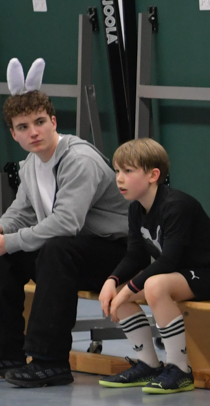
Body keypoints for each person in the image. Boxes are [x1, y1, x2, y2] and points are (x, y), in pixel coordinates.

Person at [0, 58, 128, 388]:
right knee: (7, 257)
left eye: (40, 122)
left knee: (56, 249)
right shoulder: (30, 165)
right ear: (13, 134)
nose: (34, 132)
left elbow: (67, 223)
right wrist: (1, 233)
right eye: (23, 127)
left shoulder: (78, 159)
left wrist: (9, 241)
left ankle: (50, 361)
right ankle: (7, 354)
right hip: (71, 253)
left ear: (53, 121)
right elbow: (21, 214)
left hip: (118, 255)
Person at [94, 139, 210, 395]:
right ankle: (148, 365)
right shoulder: (136, 209)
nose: (119, 179)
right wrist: (111, 280)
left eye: (128, 171)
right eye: (117, 171)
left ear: (153, 175)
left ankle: (180, 370)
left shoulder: (177, 205)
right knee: (120, 291)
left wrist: (130, 289)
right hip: (181, 276)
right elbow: (136, 256)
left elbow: (168, 260)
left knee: (153, 285)